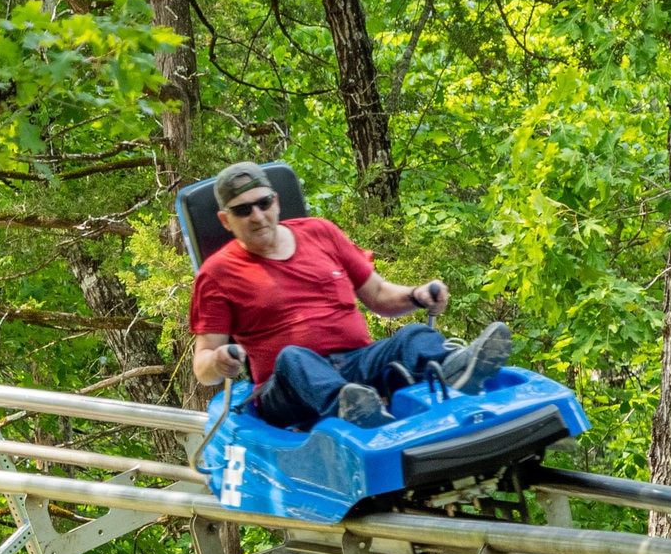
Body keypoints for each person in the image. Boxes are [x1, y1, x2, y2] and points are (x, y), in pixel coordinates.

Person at [188, 162, 511, 430]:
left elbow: (379, 295)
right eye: (243, 210)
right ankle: (351, 408)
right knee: (293, 357)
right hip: (288, 388)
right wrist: (218, 360)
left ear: (276, 201)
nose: (257, 216)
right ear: (225, 220)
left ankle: (458, 372)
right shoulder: (217, 273)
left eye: (263, 203)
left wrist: (416, 295)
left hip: (357, 366)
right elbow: (203, 366)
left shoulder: (320, 232)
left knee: (413, 335)